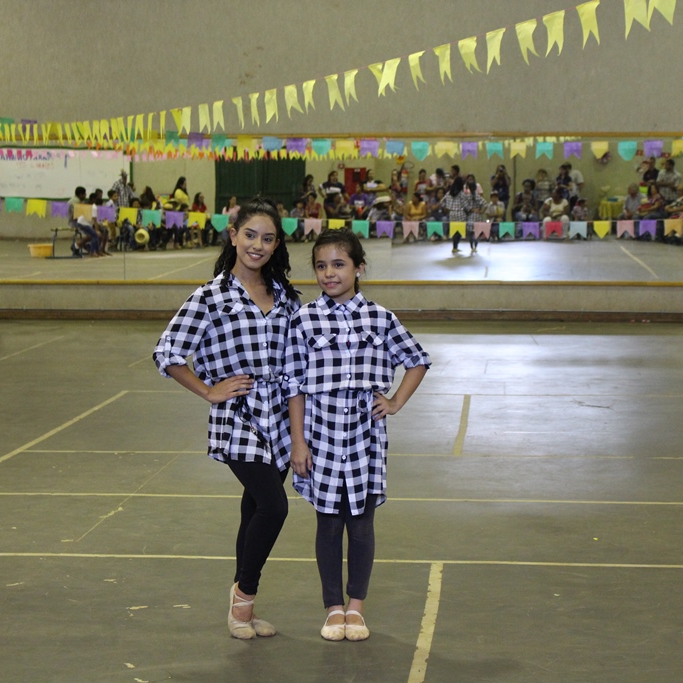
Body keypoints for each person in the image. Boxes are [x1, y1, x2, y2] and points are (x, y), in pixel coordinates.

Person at [153, 197, 300, 640]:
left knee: (254, 508)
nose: (257, 245)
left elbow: (300, 357)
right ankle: (243, 598)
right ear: (233, 236)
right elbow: (167, 352)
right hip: (238, 417)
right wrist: (208, 390)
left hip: (280, 418)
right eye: (250, 235)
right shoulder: (210, 297)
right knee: (274, 507)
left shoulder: (285, 296)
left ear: (276, 245)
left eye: (268, 238)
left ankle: (243, 613)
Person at [285, 228, 430, 643]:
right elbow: (293, 385)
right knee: (329, 524)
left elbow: (417, 360)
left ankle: (356, 607)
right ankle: (333, 607)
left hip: (366, 439)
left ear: (359, 267)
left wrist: (395, 401)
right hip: (321, 437)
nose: (329, 273)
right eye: (321, 266)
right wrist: (298, 441)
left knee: (362, 524)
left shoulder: (381, 318)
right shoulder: (304, 319)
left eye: (339, 264)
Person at [442, 177, 470, 254]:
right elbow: (466, 206)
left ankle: (454, 247)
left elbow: (442, 202)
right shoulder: (462, 194)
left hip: (452, 213)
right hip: (461, 213)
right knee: (460, 231)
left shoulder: (449, 193)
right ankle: (456, 246)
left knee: (454, 231)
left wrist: (447, 207)